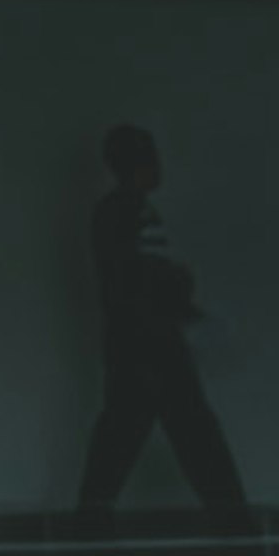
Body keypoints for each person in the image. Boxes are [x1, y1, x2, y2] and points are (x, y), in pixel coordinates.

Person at [75, 123, 246, 524]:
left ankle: (84, 530)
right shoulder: (131, 211)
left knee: (120, 442)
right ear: (141, 163)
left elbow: (132, 278)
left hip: (135, 345)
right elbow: (142, 278)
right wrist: (179, 288)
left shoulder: (117, 212)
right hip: (152, 348)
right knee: (195, 438)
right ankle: (240, 530)